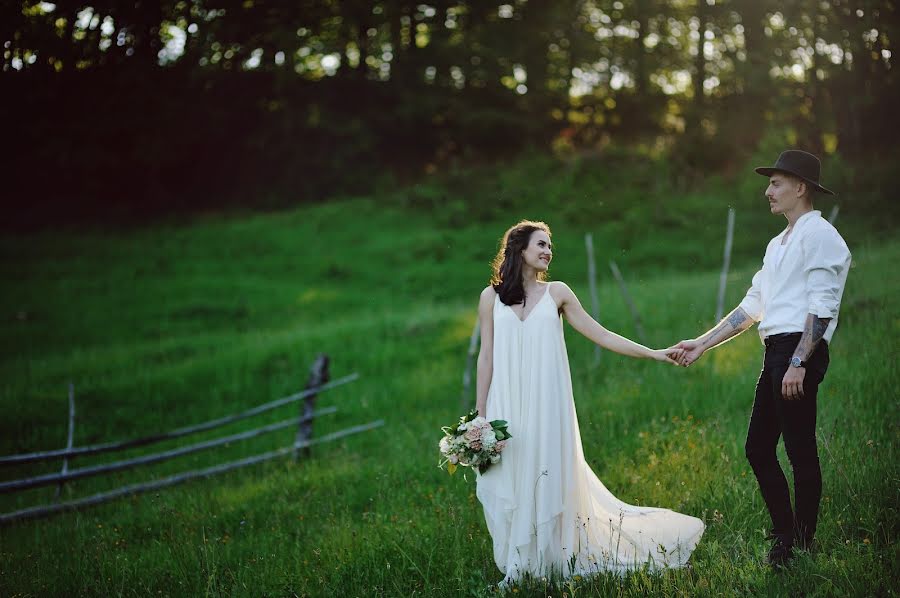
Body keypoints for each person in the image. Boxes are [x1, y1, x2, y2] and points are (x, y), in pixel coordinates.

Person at [474, 220, 704, 585]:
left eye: (550, 246)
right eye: (541, 244)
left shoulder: (558, 293)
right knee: (513, 476)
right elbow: (485, 357)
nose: (548, 251)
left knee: (546, 471)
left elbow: (602, 334)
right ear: (519, 249)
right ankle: (524, 563)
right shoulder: (491, 298)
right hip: (508, 405)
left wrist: (655, 354)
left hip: (547, 403)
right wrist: (480, 417)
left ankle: (554, 559)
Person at [675, 150, 851, 566]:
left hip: (797, 350)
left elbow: (822, 305)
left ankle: (800, 546)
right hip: (776, 350)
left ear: (800, 188)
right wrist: (702, 343)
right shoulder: (778, 244)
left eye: (775, 183)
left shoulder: (820, 235)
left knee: (799, 450)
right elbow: (753, 305)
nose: (767, 191)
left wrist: (799, 363)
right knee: (758, 448)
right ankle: (786, 534)